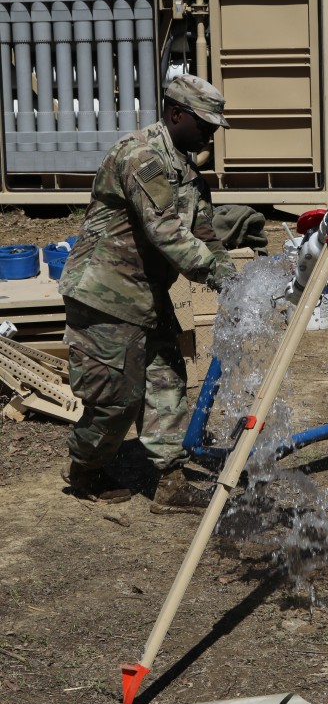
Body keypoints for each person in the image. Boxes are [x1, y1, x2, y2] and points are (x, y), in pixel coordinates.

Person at [59, 74, 237, 513]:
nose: (211, 134)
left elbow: (203, 234)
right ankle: (85, 468)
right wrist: (215, 272)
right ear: (176, 114)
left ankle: (171, 482)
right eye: (205, 124)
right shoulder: (141, 156)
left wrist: (233, 275)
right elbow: (168, 234)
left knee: (166, 385)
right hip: (106, 296)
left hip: (147, 297)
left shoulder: (188, 172)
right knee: (116, 401)